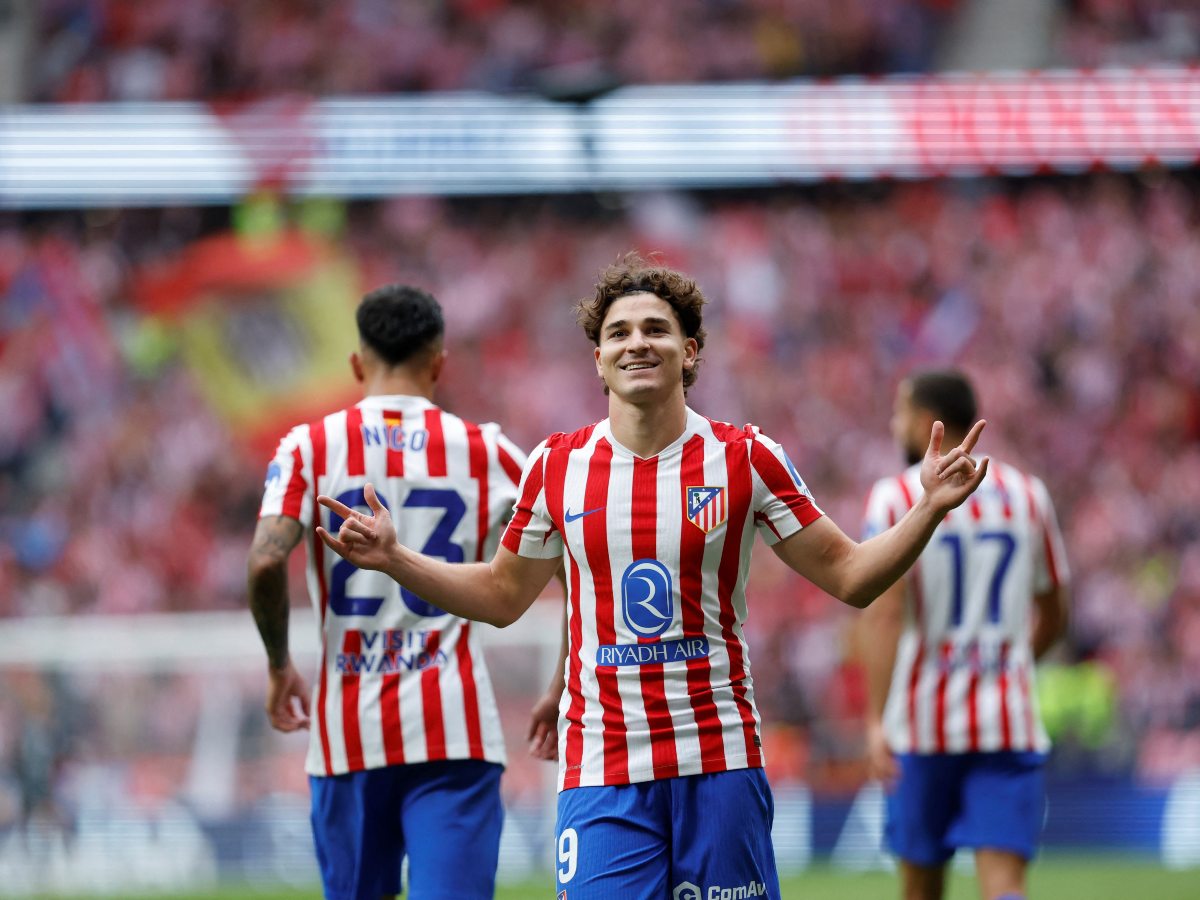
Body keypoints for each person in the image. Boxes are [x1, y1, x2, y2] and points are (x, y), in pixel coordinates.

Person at [317, 254, 989, 900]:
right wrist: (396, 558)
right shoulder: (555, 466)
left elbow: (851, 576)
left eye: (655, 329)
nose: (637, 342)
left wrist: (927, 508)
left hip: (719, 760)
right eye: (619, 333)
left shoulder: (746, 457)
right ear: (599, 360)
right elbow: (500, 596)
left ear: (689, 351)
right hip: (604, 770)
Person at [246, 284, 530, 900]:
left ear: (356, 363)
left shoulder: (309, 448)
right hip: (454, 727)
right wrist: (562, 677)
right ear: (439, 364)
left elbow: (266, 562)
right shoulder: (487, 451)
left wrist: (278, 666)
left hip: (348, 734)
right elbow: (574, 558)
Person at [861, 370, 1070, 900]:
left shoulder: (894, 498)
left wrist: (875, 718)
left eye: (898, 411)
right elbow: (1056, 608)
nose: (893, 424)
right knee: (1005, 886)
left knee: (921, 885)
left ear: (922, 419)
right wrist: (1015, 661)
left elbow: (883, 616)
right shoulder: (1028, 495)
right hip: (1008, 721)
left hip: (921, 726)